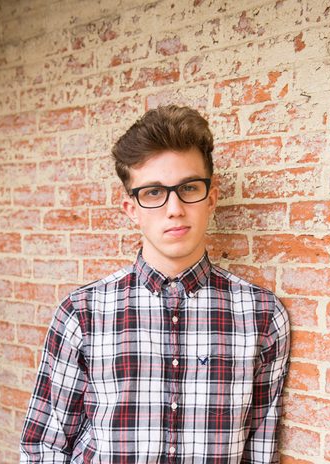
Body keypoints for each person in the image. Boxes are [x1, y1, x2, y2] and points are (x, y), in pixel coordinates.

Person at [20, 105, 290, 463]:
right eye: (152, 193)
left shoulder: (262, 315)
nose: (174, 208)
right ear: (131, 208)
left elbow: (260, 449)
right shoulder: (82, 313)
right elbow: (45, 445)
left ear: (211, 197)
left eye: (189, 188)